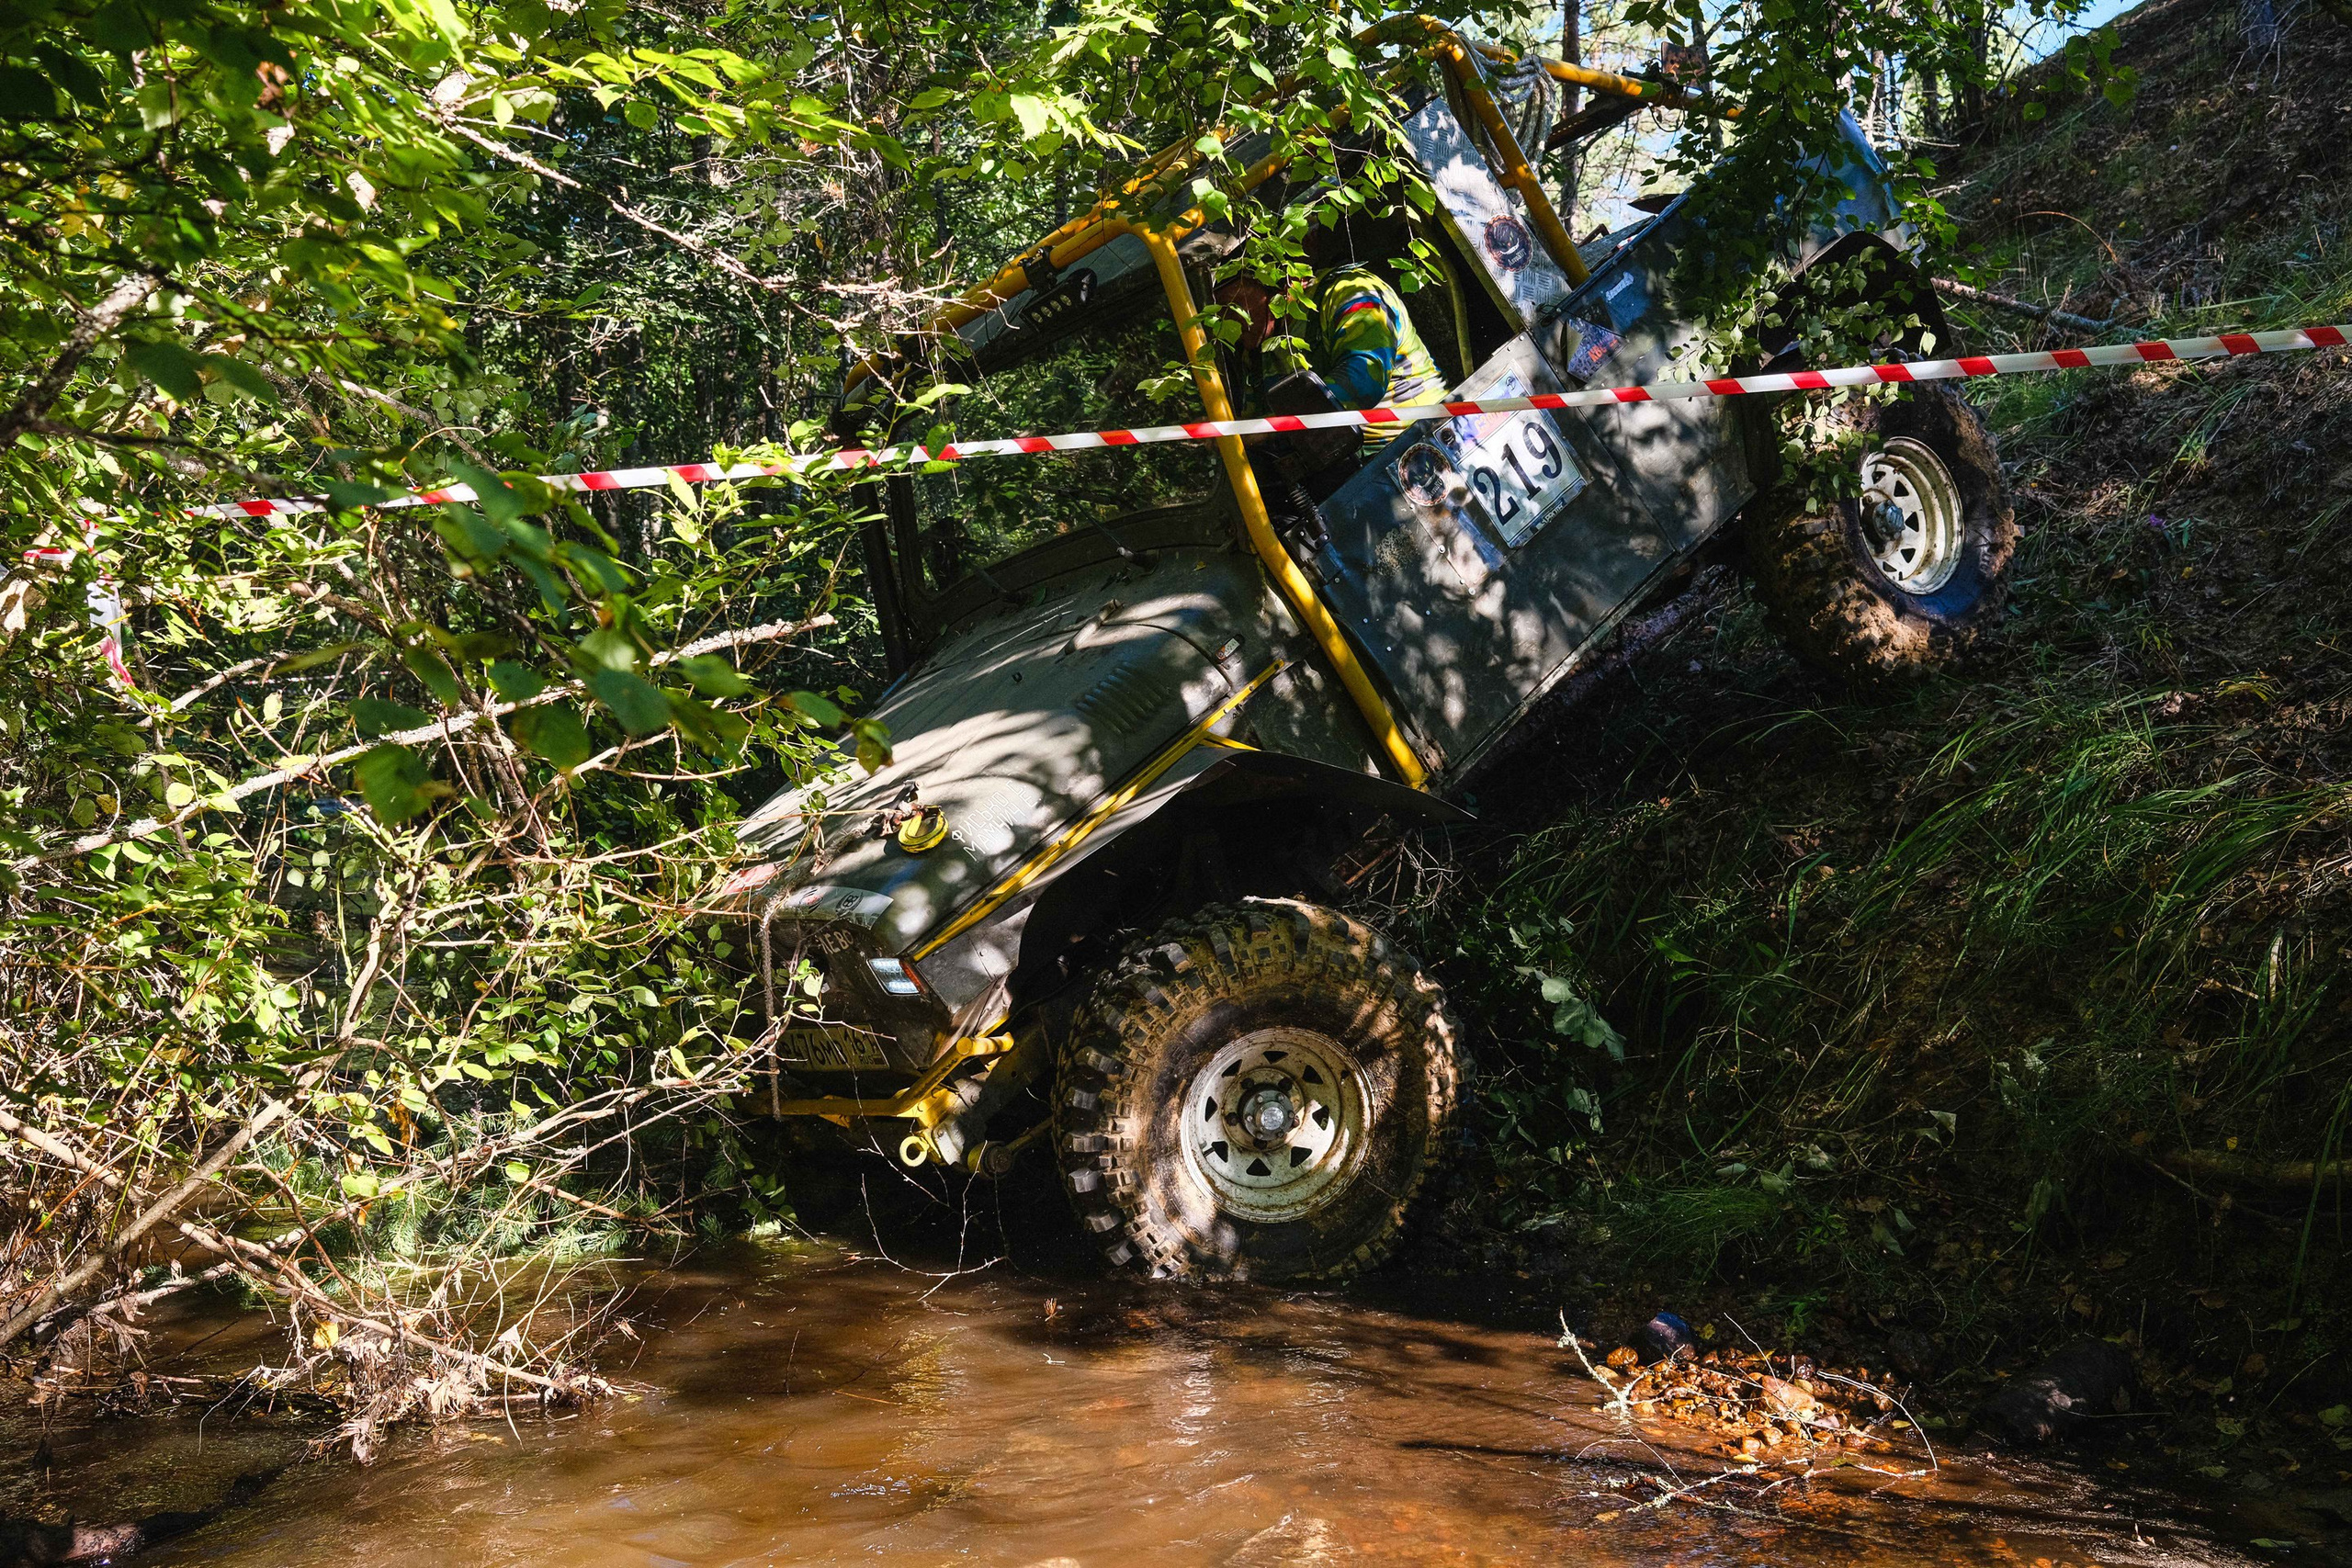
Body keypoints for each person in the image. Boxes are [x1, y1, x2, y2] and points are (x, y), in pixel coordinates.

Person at [1216, 245, 1446, 453]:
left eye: (1228, 306)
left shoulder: (1351, 291)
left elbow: (1363, 382)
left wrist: (1269, 427)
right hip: (1349, 468)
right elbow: (1253, 423)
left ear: (1270, 276)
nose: (1222, 321)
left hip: (1422, 439)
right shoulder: (1260, 350)